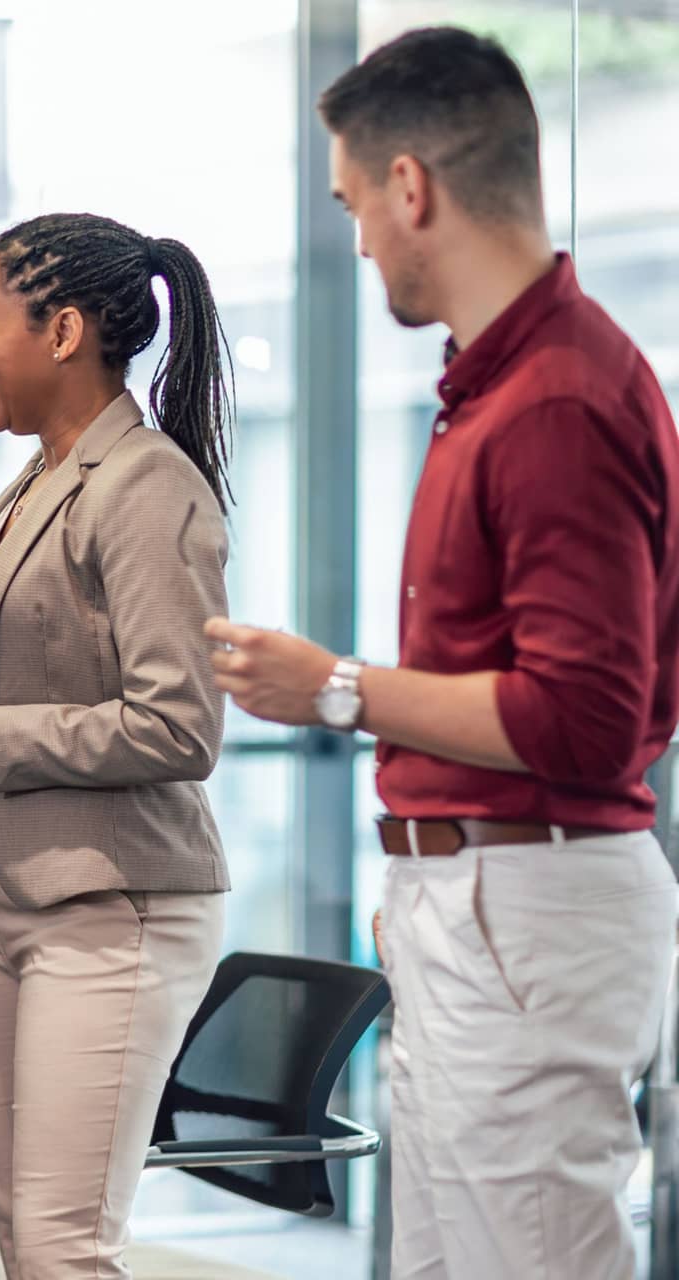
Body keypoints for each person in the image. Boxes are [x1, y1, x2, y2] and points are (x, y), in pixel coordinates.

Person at [208, 27, 679, 1280]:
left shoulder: (556, 400)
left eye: (351, 203)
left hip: (523, 903)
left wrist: (334, 689)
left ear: (408, 185)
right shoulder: (501, 386)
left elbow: (583, 718)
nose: (357, 239)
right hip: (480, 899)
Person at [0, 213, 235, 1279]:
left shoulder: (145, 483)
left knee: (65, 1248)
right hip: (2, 899)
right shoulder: (38, 477)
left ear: (62, 331)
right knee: (24, 1240)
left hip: (111, 906)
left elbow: (178, 724)